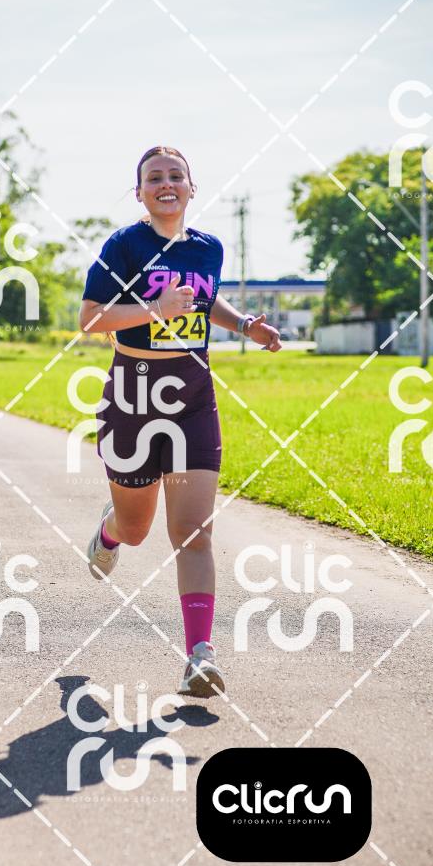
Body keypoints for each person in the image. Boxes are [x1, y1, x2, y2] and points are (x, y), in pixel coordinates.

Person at [80, 146, 281, 698]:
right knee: (137, 529)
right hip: (133, 398)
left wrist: (246, 325)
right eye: (154, 178)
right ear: (139, 192)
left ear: (192, 187)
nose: (166, 184)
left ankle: (199, 656)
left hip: (192, 398)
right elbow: (90, 319)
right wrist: (155, 310)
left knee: (193, 532)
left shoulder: (208, 248)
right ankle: (110, 531)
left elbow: (206, 301)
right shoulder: (124, 246)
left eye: (175, 176)